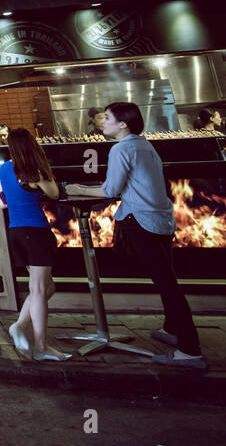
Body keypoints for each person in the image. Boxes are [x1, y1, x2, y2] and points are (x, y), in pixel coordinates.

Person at [67, 103, 205, 369]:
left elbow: (112, 189)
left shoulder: (121, 148)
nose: (102, 122)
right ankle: (172, 330)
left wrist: (77, 188)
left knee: (166, 284)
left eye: (107, 118)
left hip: (141, 221)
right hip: (162, 218)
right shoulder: (144, 144)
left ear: (123, 124)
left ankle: (190, 349)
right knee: (168, 276)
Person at [0, 129, 69, 361]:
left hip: (16, 232)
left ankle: (18, 326)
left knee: (47, 288)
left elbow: (1, 201)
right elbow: (56, 194)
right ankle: (40, 345)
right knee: (39, 290)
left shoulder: (5, 168)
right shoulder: (35, 172)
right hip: (36, 233)